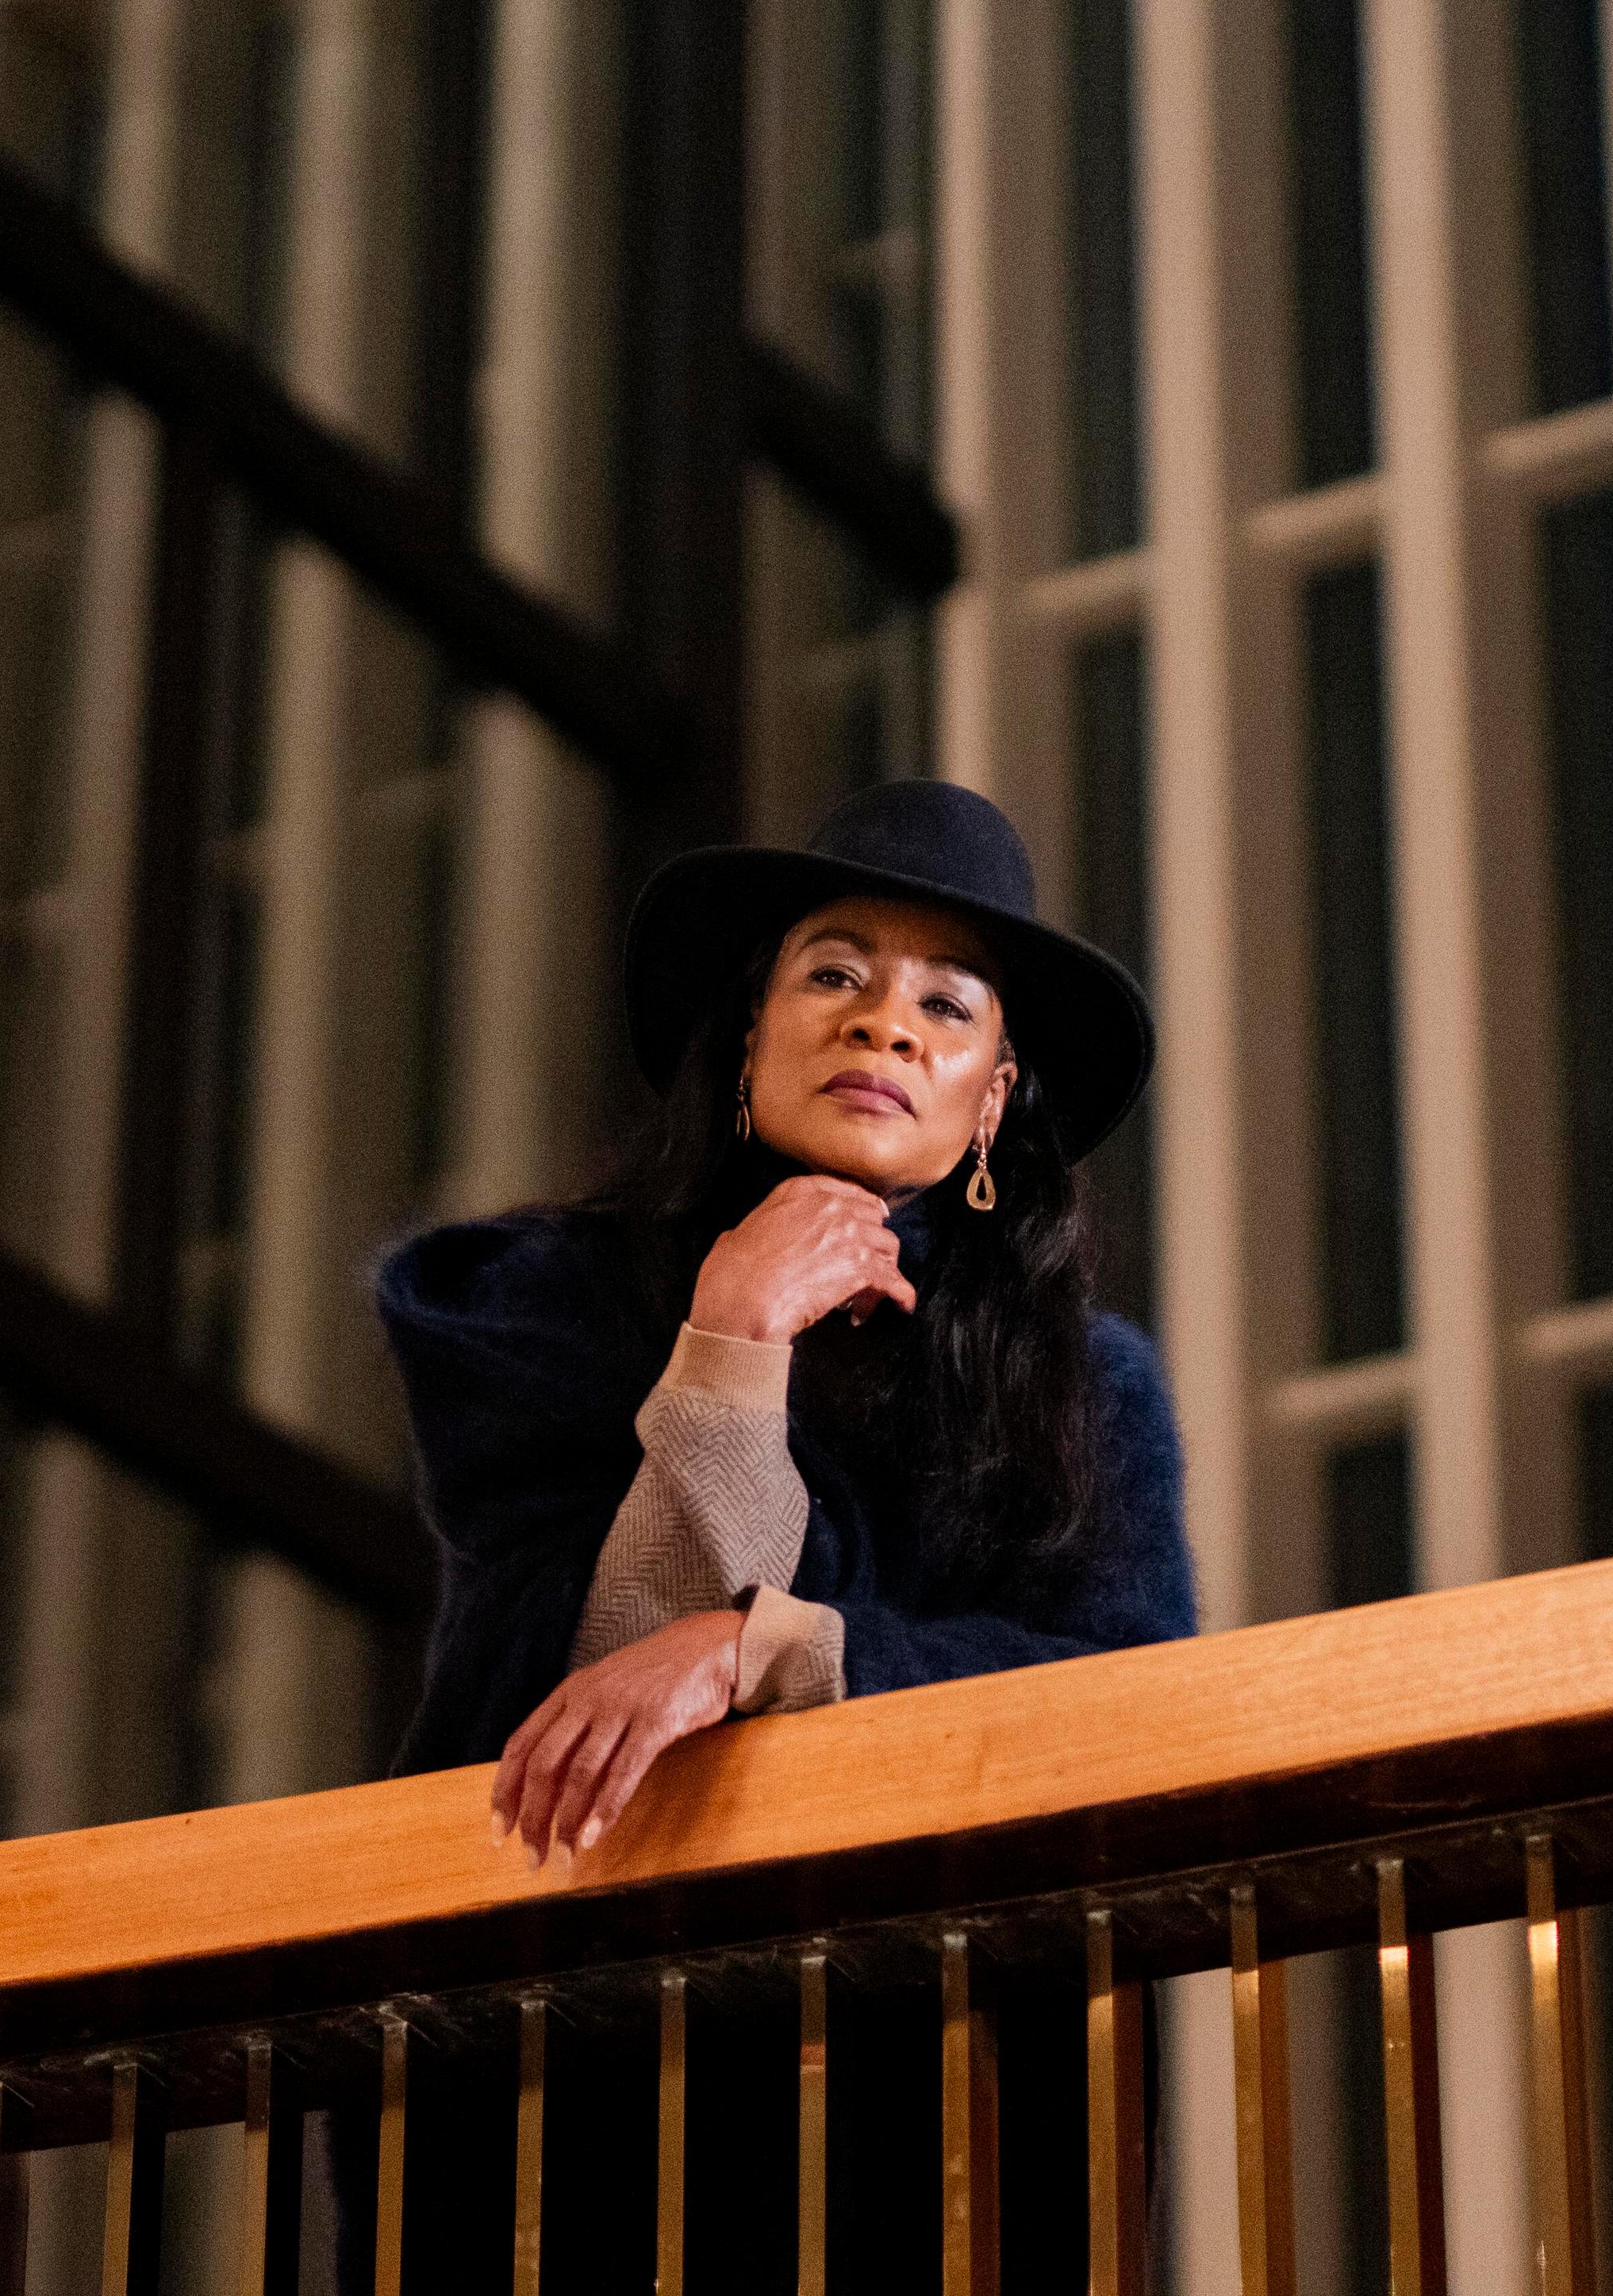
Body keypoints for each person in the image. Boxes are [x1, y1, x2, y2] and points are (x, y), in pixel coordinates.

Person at [346, 779, 1197, 2292]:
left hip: (927, 2082)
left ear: (992, 1097)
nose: (886, 1025)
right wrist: (731, 1339)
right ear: (749, 1034)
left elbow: (1121, 1706)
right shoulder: (540, 1306)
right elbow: (572, 1685)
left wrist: (773, 1652)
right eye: (836, 973)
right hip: (563, 2075)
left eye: (949, 1006)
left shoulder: (1084, 1387)